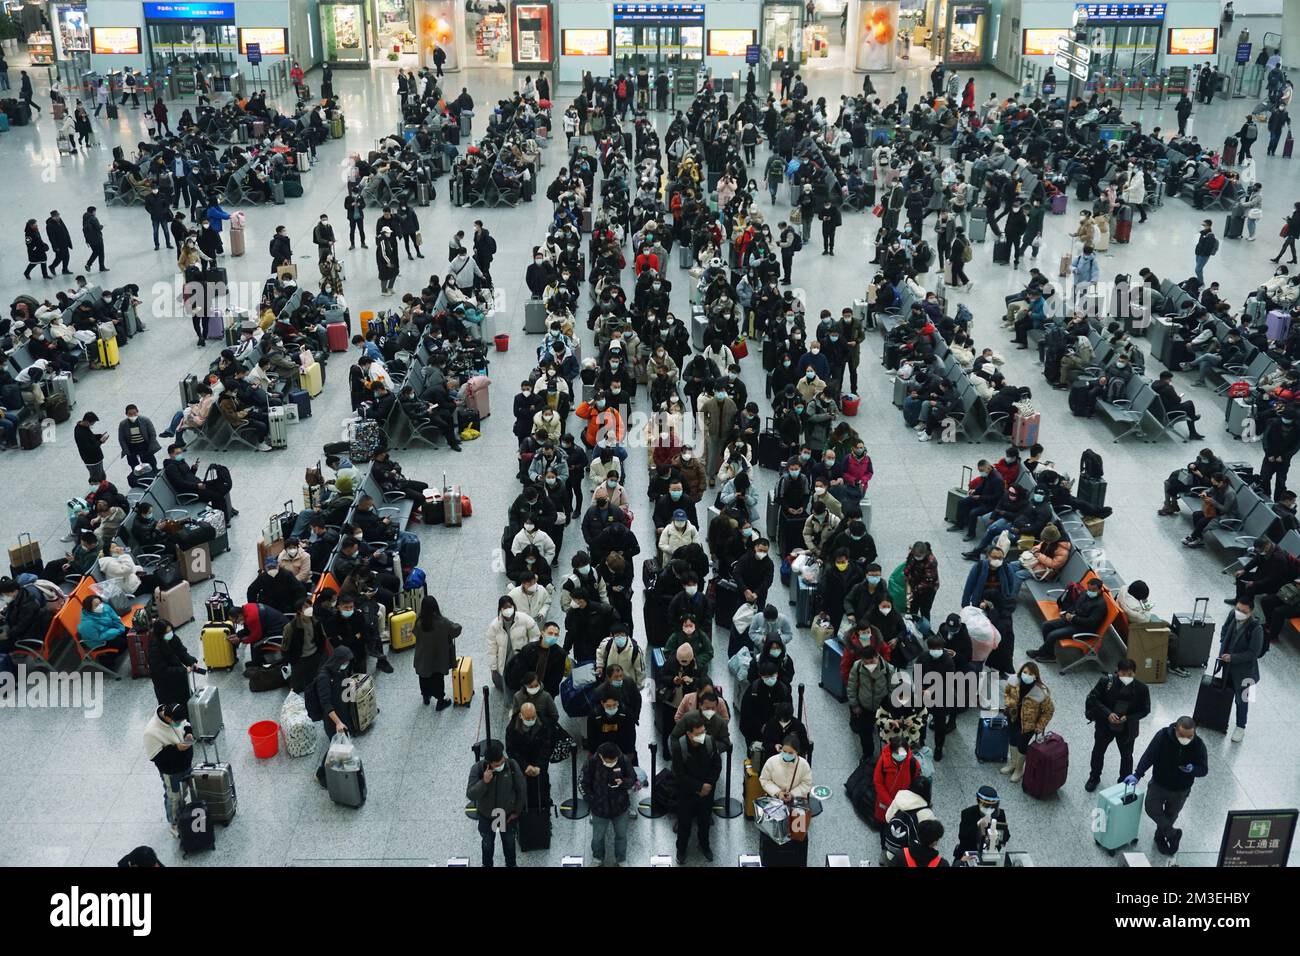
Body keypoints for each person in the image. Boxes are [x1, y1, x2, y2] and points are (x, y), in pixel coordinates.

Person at [1127, 716, 1209, 855]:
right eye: (1182, 735)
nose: (1186, 739)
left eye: (1189, 736)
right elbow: (1149, 756)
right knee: (1151, 809)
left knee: (1171, 815)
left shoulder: (1198, 745)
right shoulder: (1162, 737)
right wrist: (1137, 774)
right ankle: (1172, 833)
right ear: (1175, 729)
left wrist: (1193, 769)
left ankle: (1160, 837)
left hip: (1181, 789)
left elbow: (1204, 769)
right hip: (1159, 783)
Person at [1084, 659, 1151, 791]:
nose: (1126, 677)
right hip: (1105, 725)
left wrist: (1129, 717)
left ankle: (1123, 782)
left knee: (1126, 757)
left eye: (1130, 674)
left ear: (1135, 673)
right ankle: (1094, 777)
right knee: (1098, 752)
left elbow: (1145, 710)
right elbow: (1094, 699)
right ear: (1117, 671)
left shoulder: (1142, 689)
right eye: (1123, 674)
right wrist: (1108, 714)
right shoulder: (1106, 682)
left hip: (1127, 729)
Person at [465, 739, 527, 867]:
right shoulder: (477, 769)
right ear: (489, 763)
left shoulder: (512, 765)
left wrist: (517, 811)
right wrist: (484, 782)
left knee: (509, 842)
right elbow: (471, 794)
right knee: (487, 843)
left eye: (502, 761)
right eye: (498, 764)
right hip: (487, 815)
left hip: (507, 815)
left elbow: (521, 789)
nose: (502, 764)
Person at [672, 711, 722, 863]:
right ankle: (681, 849)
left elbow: (716, 765)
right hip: (687, 793)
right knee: (684, 823)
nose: (702, 735)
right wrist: (699, 786)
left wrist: (708, 785)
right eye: (698, 733)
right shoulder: (679, 748)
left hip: (707, 791)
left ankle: (704, 845)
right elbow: (679, 774)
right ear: (688, 734)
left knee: (705, 821)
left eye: (703, 731)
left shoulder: (709, 742)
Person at [142, 702, 195, 838]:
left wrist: (188, 733)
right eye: (177, 721)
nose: (180, 723)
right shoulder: (151, 732)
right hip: (171, 771)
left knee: (184, 792)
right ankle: (174, 823)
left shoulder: (175, 715)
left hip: (185, 764)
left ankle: (183, 814)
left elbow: (186, 724)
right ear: (168, 718)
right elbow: (156, 757)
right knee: (174, 796)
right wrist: (177, 748)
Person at [1217, 597, 1264, 742]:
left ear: (1251, 612)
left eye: (1244, 611)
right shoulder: (1232, 615)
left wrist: (1233, 657)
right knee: (1226, 692)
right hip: (1228, 667)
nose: (1239, 613)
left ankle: (1241, 726)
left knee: (1242, 700)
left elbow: (1253, 653)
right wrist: (1223, 644)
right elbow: (1225, 630)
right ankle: (1220, 720)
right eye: (1238, 609)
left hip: (1246, 672)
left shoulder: (1256, 629)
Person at [580, 742, 635, 866]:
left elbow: (633, 778)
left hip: (620, 807)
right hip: (599, 809)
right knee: (597, 837)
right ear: (601, 756)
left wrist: (624, 782)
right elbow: (583, 784)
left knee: (621, 835)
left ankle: (621, 859)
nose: (611, 762)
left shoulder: (623, 760)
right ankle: (597, 858)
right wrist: (592, 799)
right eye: (608, 760)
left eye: (613, 760)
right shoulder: (591, 763)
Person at [1030, 575, 1109, 662]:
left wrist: (1073, 618)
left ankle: (1045, 653)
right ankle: (1048, 653)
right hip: (1073, 620)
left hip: (1084, 629)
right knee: (1046, 625)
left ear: (1099, 590)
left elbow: (1091, 623)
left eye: (1092, 590)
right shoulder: (1086, 594)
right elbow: (1075, 605)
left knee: (1052, 635)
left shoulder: (1100, 606)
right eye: (1088, 589)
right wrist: (1067, 612)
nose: (1089, 591)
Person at [1001, 662, 1053, 784]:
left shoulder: (1040, 692)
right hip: (1013, 717)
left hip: (1028, 725)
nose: (1027, 675)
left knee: (1022, 745)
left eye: (1030, 674)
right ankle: (1012, 764)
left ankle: (1019, 770)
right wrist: (1009, 703)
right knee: (1012, 740)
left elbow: (1049, 710)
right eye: (1025, 672)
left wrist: (1040, 725)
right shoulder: (1013, 680)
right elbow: (1007, 693)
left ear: (1036, 676)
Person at [412, 594, 459, 709]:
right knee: (438, 679)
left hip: (423, 658)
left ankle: (426, 697)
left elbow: (414, 633)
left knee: (423, 677)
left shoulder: (419, 622)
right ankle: (440, 701)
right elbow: (456, 630)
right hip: (438, 658)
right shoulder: (442, 622)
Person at [955, 785, 1010, 862]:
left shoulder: (1000, 814)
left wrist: (995, 829)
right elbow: (962, 838)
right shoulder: (967, 813)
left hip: (990, 854)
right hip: (970, 854)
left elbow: (1006, 836)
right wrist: (977, 826)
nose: (989, 809)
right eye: (986, 806)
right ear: (979, 802)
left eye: (992, 807)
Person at [118, 405, 161, 472]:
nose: (133, 415)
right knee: (134, 465)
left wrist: (151, 447)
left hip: (144, 445)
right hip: (132, 446)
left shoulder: (145, 420)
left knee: (151, 463)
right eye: (130, 414)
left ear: (137, 412)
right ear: (126, 414)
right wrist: (126, 451)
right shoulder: (123, 424)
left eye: (134, 413)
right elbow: (121, 439)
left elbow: (152, 434)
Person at [73, 412, 108, 484]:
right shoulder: (80, 433)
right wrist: (100, 442)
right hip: (92, 461)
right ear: (86, 421)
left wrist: (98, 436)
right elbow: (89, 448)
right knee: (96, 479)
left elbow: (90, 437)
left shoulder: (84, 427)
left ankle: (103, 490)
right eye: (92, 423)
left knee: (102, 476)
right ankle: (97, 493)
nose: (92, 425)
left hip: (96, 459)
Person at [1193, 219, 1218, 285]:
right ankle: (1199, 280)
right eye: (1202, 225)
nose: (1202, 226)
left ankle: (1201, 283)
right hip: (1198, 253)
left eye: (1204, 225)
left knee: (1197, 269)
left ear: (1209, 226)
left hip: (1203, 256)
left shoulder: (1210, 236)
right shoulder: (1202, 233)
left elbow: (1208, 248)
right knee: (1199, 269)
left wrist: (1202, 253)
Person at [83, 206, 108, 272]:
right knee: (101, 253)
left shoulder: (85, 218)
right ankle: (101, 267)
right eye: (95, 211)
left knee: (95, 252)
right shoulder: (93, 218)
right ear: (93, 211)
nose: (95, 213)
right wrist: (102, 226)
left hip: (90, 239)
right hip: (97, 238)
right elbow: (98, 227)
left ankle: (88, 264)